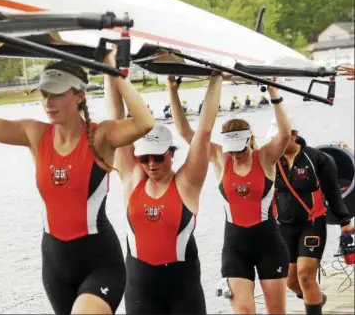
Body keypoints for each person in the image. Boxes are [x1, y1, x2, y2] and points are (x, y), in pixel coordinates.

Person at [0, 39, 155, 315]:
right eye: (44, 93)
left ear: (79, 95)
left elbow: (144, 122)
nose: (48, 102)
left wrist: (111, 67)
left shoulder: (101, 136)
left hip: (100, 263)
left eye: (57, 93)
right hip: (55, 266)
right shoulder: (34, 135)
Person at [105, 73, 223, 314]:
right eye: (144, 158)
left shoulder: (186, 183)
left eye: (158, 157)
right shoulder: (132, 178)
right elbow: (114, 123)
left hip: (183, 289)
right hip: (140, 289)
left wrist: (216, 76)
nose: (151, 164)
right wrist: (113, 72)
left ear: (171, 153)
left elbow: (204, 132)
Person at [172, 78, 291, 314]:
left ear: (250, 141)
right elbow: (187, 133)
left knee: (276, 311)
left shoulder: (265, 157)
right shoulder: (220, 157)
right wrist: (172, 91)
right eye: (231, 150)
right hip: (235, 246)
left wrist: (273, 92)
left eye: (240, 149)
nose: (235, 155)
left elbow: (285, 134)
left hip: (269, 244)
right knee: (244, 310)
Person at [266, 124, 354, 315]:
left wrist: (344, 221)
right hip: (284, 226)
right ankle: (317, 299)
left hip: (312, 223)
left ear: (294, 135)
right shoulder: (271, 160)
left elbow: (332, 192)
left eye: (281, 138)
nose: (277, 143)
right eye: (274, 139)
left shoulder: (319, 159)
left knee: (305, 275)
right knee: (291, 280)